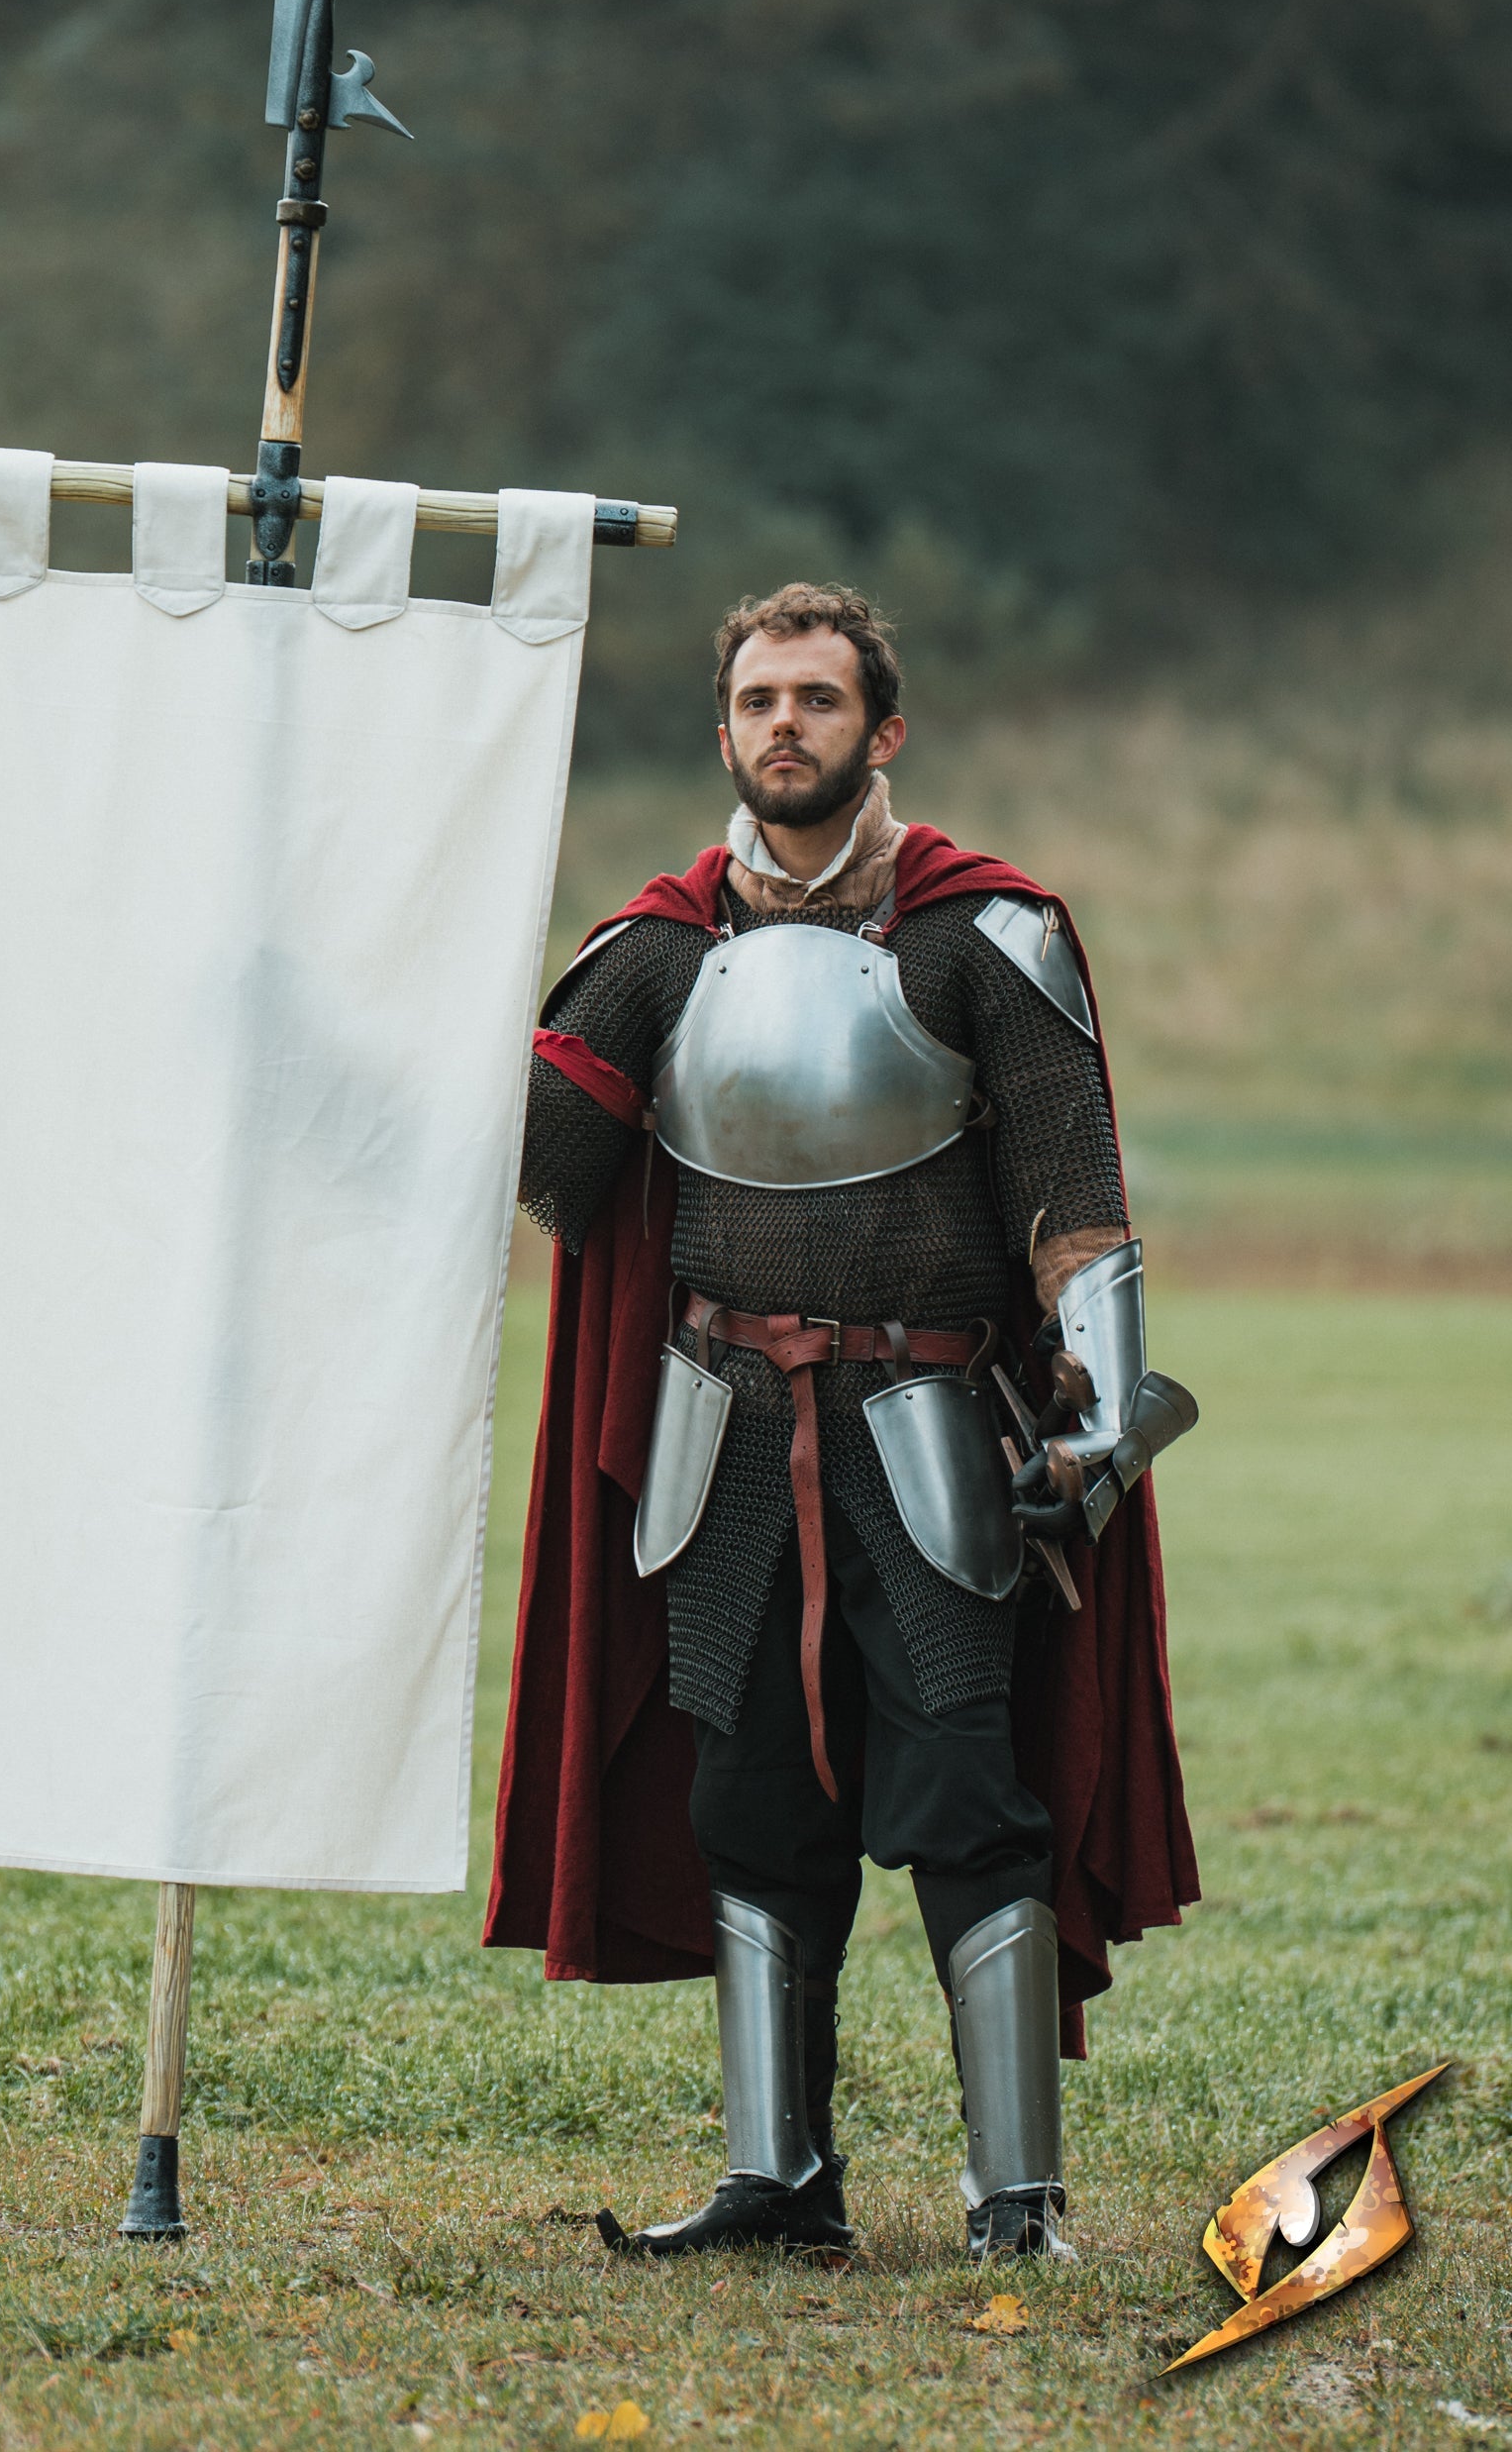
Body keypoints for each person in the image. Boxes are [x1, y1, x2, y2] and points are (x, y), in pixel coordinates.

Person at [485, 581, 1197, 2262]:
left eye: (815, 699)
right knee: (749, 1802)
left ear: (883, 729)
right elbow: (549, 1179)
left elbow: (1076, 1202)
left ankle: (1014, 2198)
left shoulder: (977, 935)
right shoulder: (657, 954)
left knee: (964, 1793)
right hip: (721, 1430)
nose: (782, 727)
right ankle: (779, 2180)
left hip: (929, 1423)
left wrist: (1095, 1427)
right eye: (755, 701)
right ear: (724, 731)